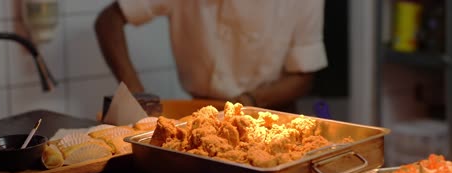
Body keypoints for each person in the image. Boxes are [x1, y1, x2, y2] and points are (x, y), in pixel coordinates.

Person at [95, 0, 327, 111]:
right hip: (199, 111)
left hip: (271, 114)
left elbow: (302, 78)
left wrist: (249, 101)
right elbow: (108, 21)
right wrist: (136, 94)